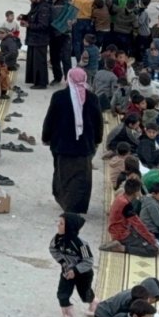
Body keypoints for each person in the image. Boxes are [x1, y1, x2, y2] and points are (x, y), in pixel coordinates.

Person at [41, 67, 104, 215]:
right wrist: (97, 140)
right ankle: (78, 205)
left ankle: (65, 201)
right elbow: (98, 122)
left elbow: (50, 119)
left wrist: (46, 137)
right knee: (82, 177)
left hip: (62, 145)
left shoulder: (59, 97)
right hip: (84, 146)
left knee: (64, 174)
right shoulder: (92, 98)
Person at [50, 213, 96, 317]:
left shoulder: (81, 244)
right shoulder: (57, 239)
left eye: (61, 223)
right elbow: (53, 250)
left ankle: (94, 303)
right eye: (58, 222)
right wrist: (64, 263)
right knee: (62, 295)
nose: (58, 225)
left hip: (83, 274)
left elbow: (89, 261)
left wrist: (75, 270)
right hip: (66, 273)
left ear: (69, 227)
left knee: (85, 295)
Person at [23, 0, 53, 89]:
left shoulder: (44, 8)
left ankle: (41, 83)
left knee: (39, 62)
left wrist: (29, 25)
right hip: (33, 39)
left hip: (40, 40)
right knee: (33, 61)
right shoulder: (35, 5)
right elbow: (31, 16)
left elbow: (43, 25)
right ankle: (35, 81)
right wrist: (23, 17)